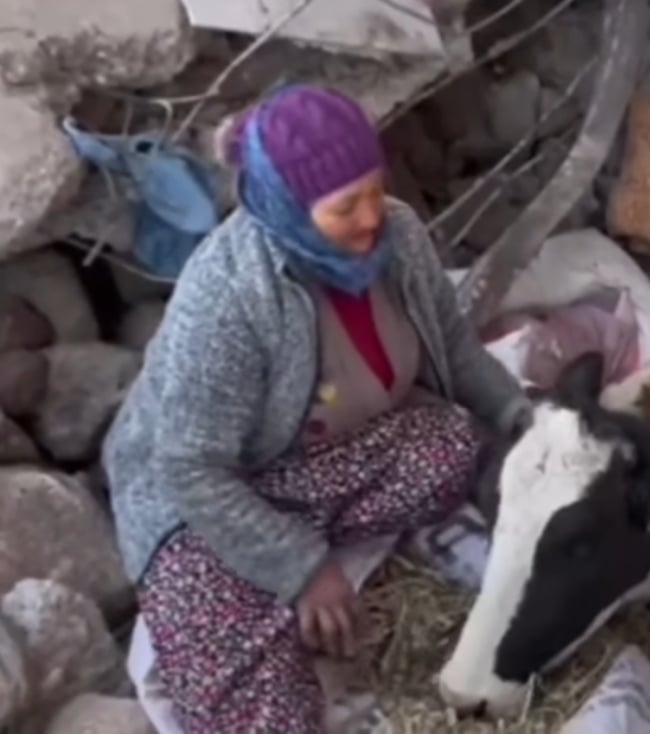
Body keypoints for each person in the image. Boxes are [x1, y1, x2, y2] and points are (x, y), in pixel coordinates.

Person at [104, 84, 531, 734]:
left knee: (450, 448)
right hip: (194, 502)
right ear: (287, 208)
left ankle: (292, 570)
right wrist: (302, 568)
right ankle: (261, 603)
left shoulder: (399, 238)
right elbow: (190, 468)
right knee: (256, 711)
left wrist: (522, 419)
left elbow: (456, 350)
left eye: (373, 189)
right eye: (344, 207)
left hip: (303, 466)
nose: (370, 218)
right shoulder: (227, 298)